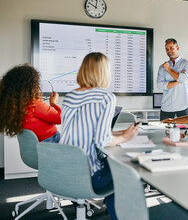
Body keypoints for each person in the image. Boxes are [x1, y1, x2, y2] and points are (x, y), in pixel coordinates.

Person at [59, 52, 140, 220]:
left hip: (62, 172)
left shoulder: (70, 96)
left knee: (115, 167)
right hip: (87, 176)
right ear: (104, 72)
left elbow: (84, 129)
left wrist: (118, 133)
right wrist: (125, 137)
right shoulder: (106, 97)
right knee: (127, 168)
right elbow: (101, 140)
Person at [0, 64, 61, 142]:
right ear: (31, 86)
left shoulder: (15, 107)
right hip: (50, 141)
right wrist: (53, 103)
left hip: (36, 146)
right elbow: (60, 118)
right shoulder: (34, 104)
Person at [157, 38, 188, 121]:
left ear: (177, 48)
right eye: (166, 49)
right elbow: (160, 86)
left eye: (171, 48)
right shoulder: (162, 67)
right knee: (164, 132)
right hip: (166, 107)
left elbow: (185, 79)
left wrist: (169, 69)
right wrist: (178, 80)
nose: (169, 50)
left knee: (186, 132)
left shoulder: (187, 63)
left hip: (183, 106)